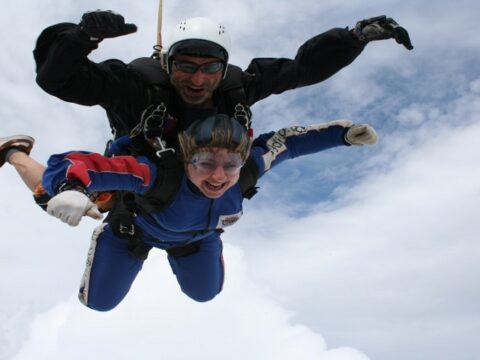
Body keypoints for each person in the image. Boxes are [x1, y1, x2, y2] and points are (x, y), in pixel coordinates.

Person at [0, 115, 378, 311]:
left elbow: (288, 143)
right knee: (97, 300)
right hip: (131, 230)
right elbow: (79, 162)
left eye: (229, 164)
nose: (217, 176)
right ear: (185, 159)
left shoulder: (249, 169)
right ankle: (13, 152)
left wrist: (343, 133)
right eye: (203, 162)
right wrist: (70, 187)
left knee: (204, 294)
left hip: (195, 241)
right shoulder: (155, 174)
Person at [34, 10, 412, 156]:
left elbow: (301, 69)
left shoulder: (236, 88)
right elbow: (58, 79)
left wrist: (355, 36)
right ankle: (15, 152)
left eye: (210, 68)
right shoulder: (137, 86)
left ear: (224, 67)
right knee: (55, 198)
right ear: (167, 64)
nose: (198, 79)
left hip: (200, 183)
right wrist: (78, 38)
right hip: (137, 175)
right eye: (185, 66)